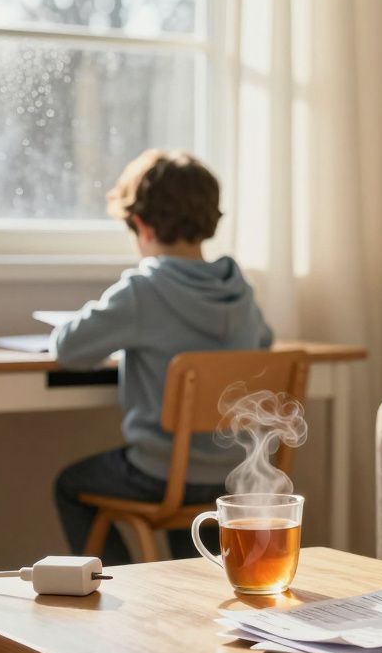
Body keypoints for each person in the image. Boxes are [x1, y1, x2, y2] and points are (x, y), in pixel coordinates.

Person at [52, 150, 273, 565]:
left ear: (142, 224)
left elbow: (69, 348)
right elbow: (264, 342)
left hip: (161, 473)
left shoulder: (143, 290)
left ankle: (118, 585)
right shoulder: (239, 289)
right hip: (232, 473)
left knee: (69, 485)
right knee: (186, 499)